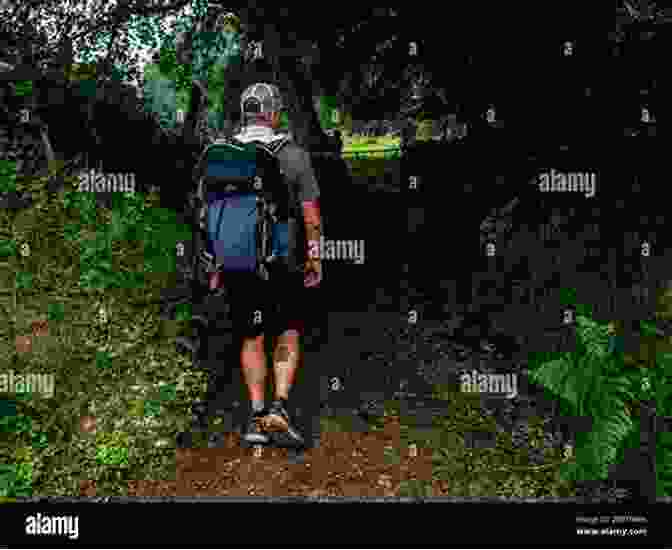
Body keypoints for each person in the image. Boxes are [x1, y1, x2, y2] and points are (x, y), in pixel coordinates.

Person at [227, 82, 323, 448]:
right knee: (287, 331)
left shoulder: (224, 155)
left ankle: (254, 418)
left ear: (244, 112)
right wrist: (315, 258)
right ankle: (279, 409)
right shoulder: (295, 156)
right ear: (273, 113)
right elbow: (312, 218)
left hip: (238, 262)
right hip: (283, 262)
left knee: (251, 337)